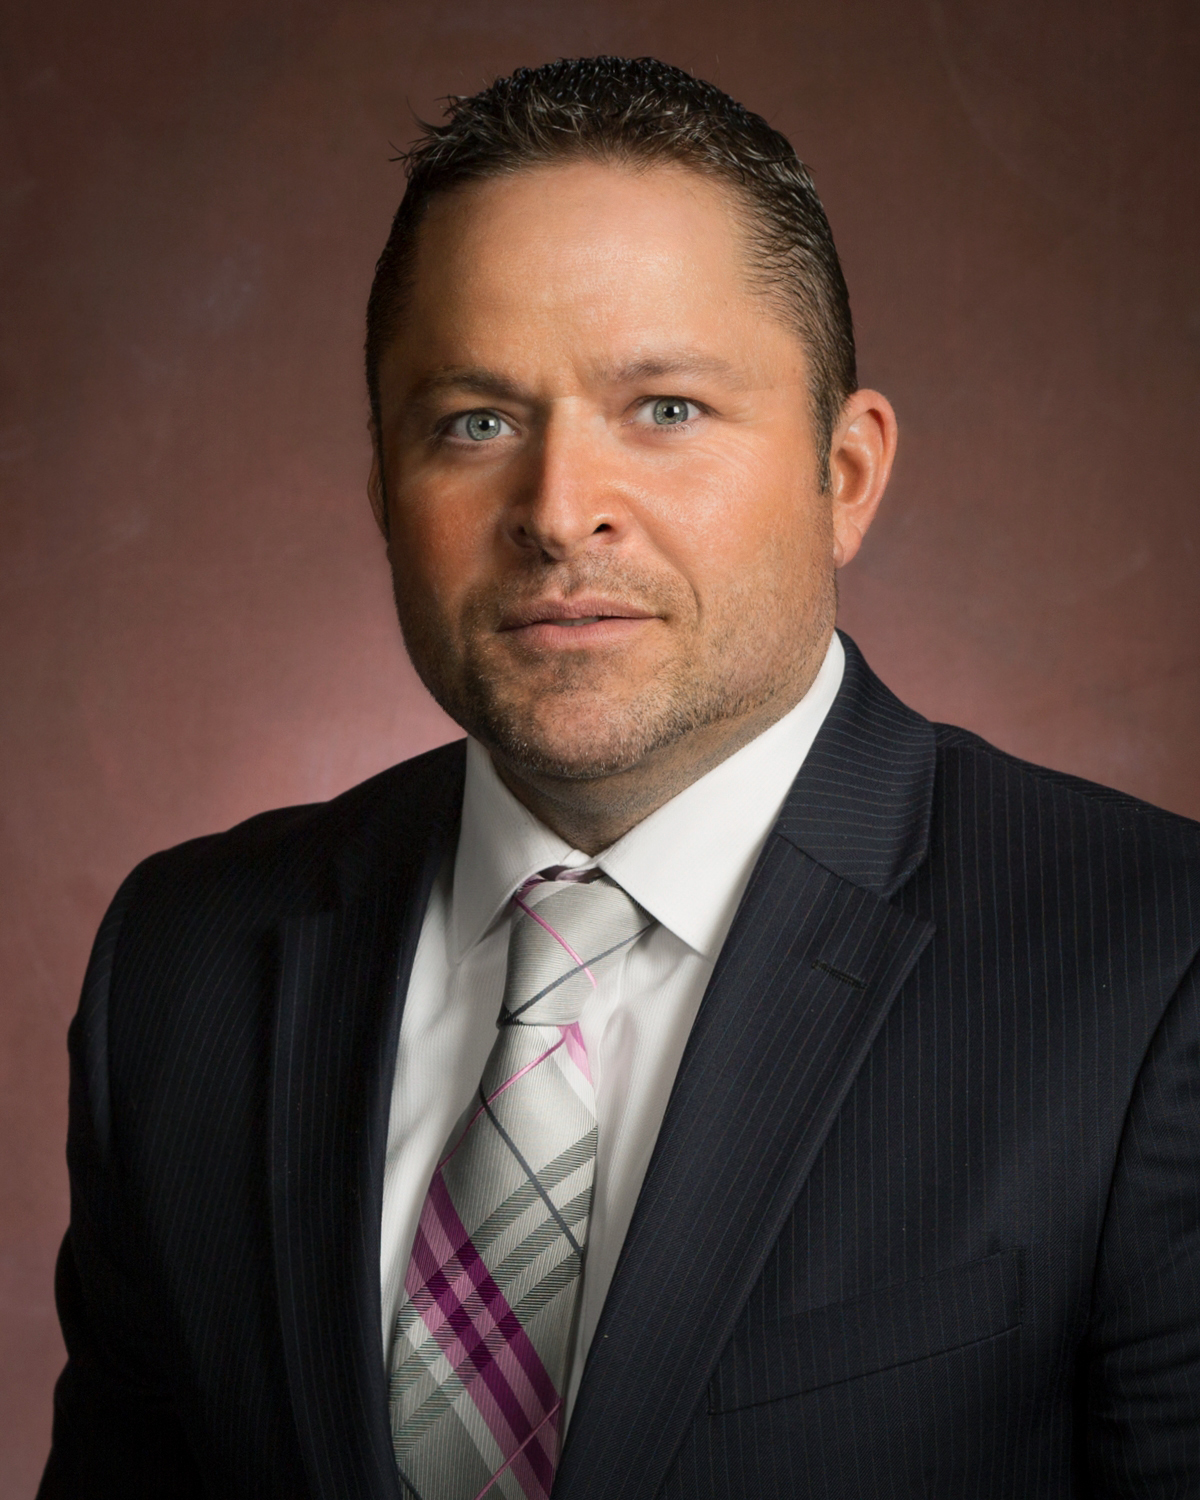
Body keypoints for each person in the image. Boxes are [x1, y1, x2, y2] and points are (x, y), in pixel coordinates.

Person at [39, 56, 1200, 1500]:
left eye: (665, 409)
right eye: (475, 420)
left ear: (845, 475)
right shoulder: (183, 965)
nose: (558, 509)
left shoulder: (1155, 965)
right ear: (382, 489)